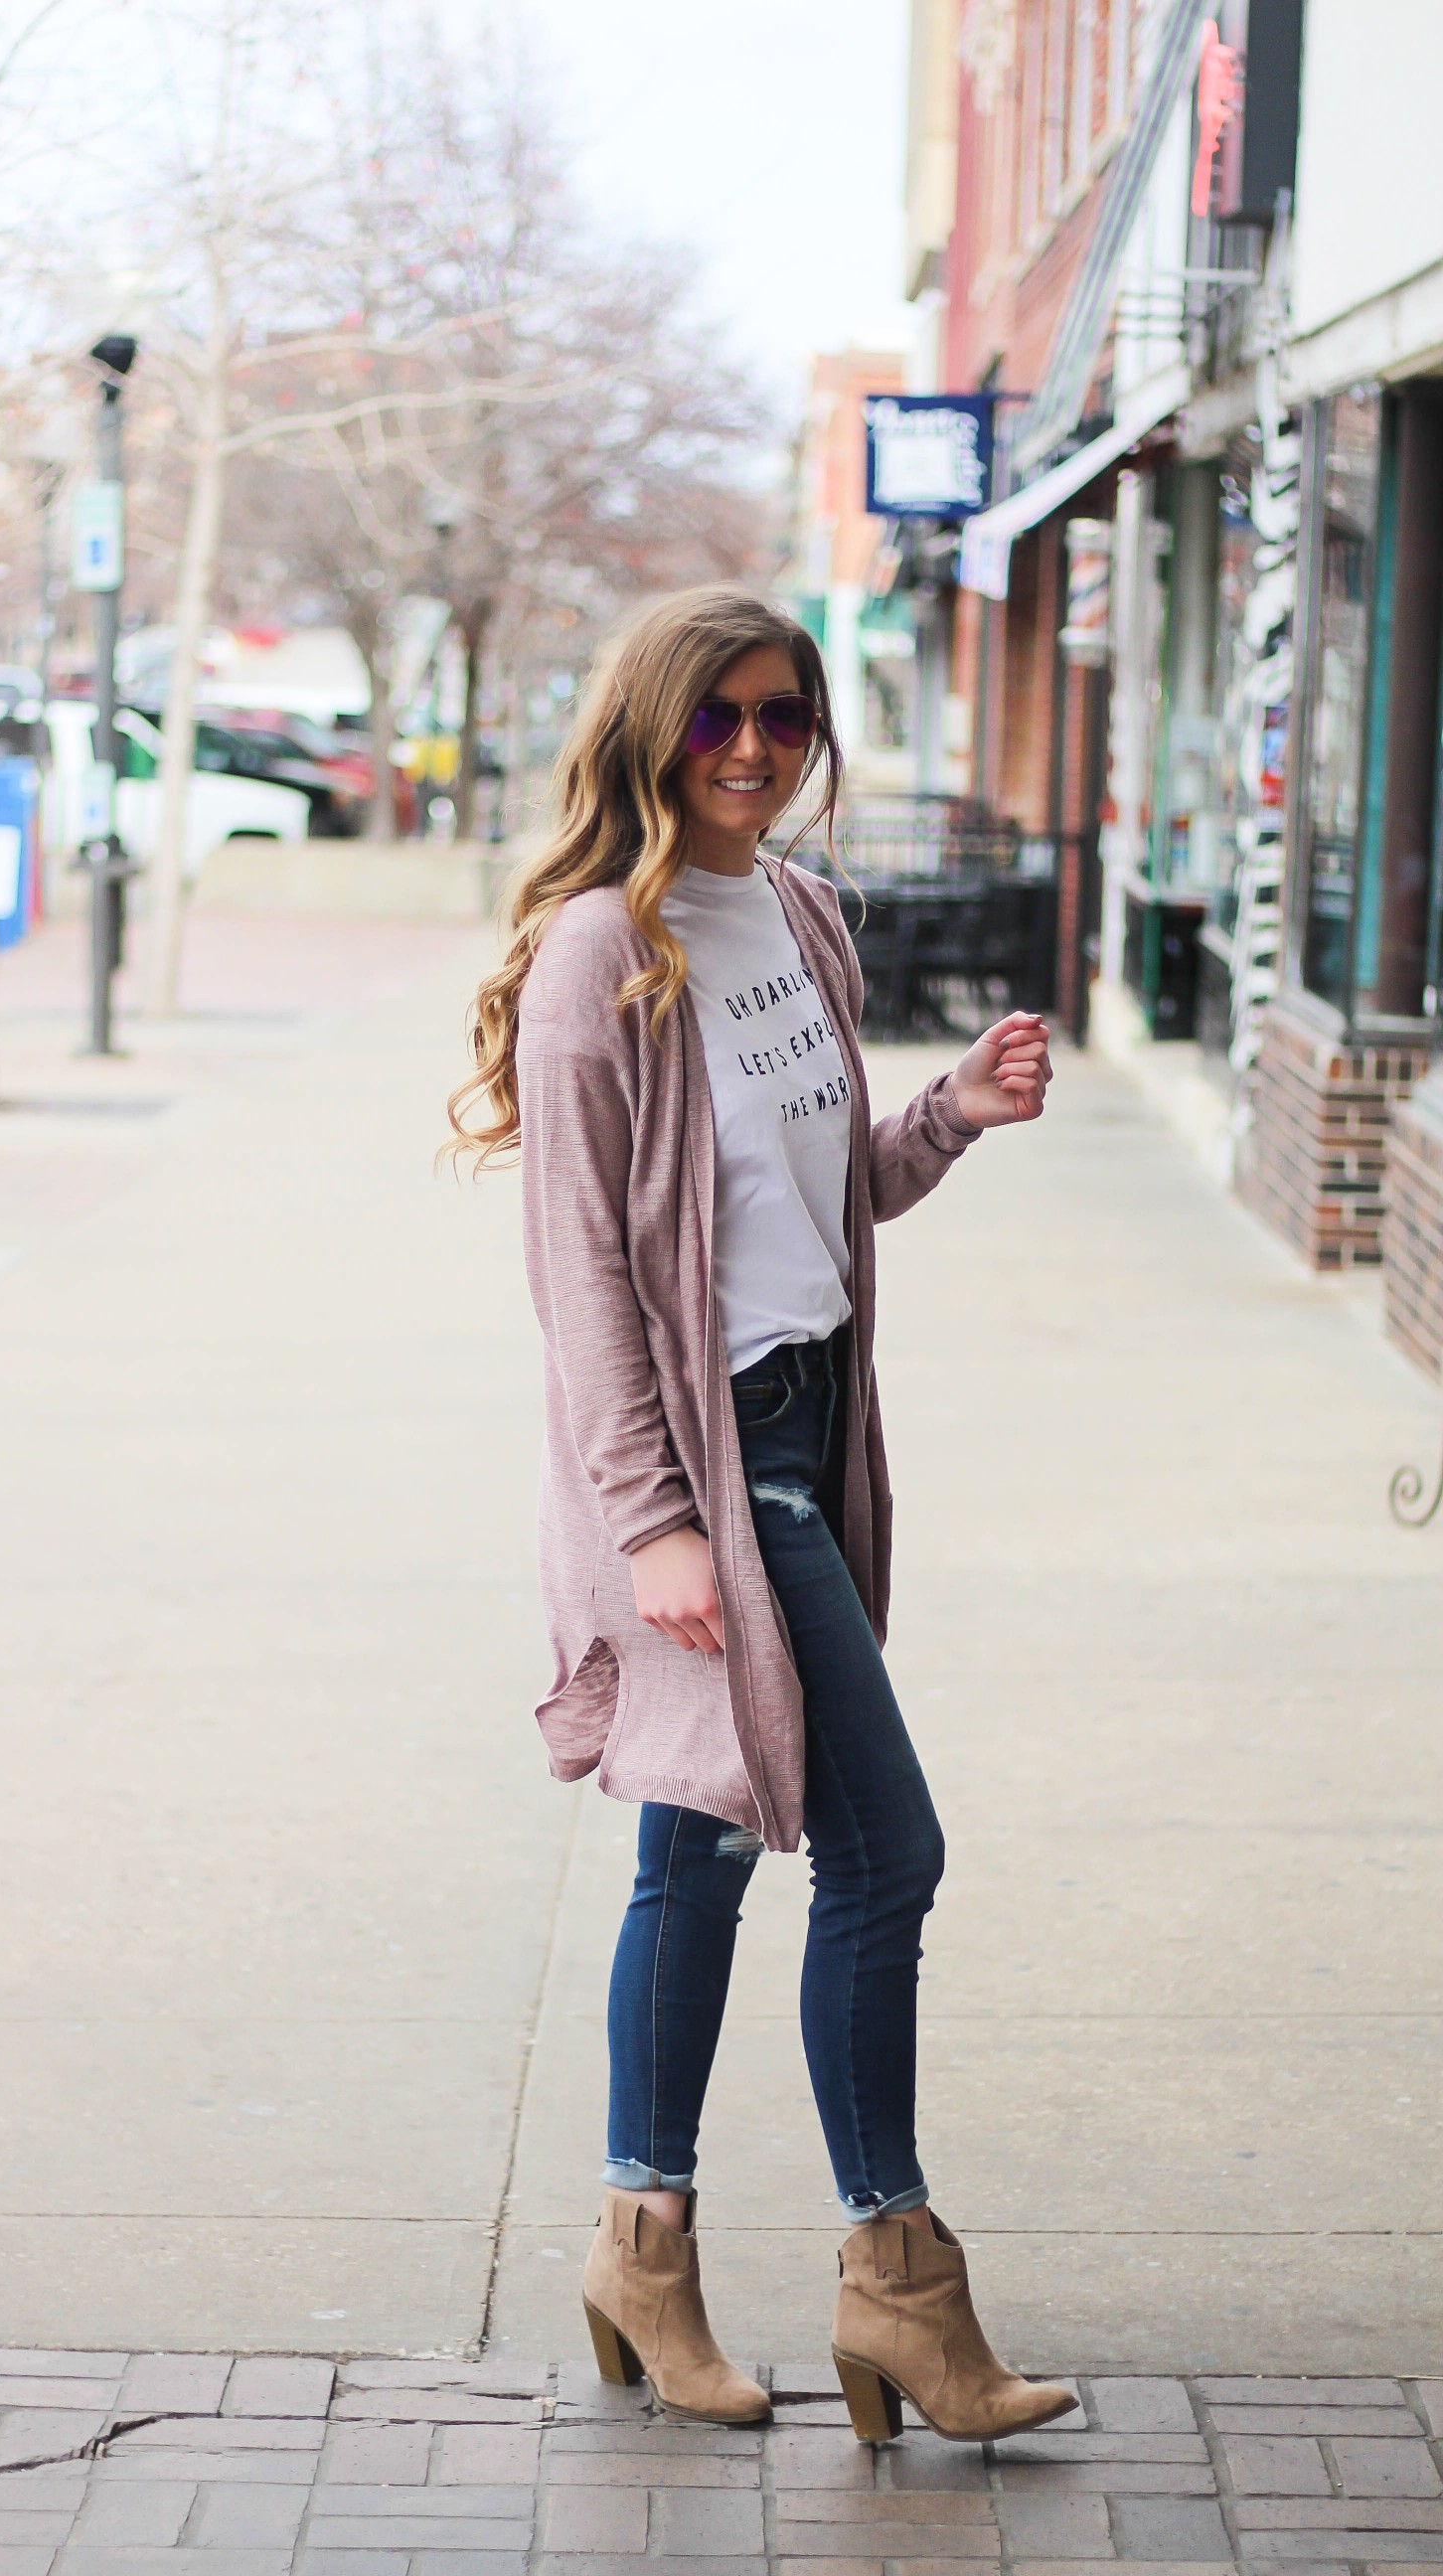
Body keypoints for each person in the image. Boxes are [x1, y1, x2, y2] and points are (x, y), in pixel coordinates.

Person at [448, 587, 1075, 2445]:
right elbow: (583, 1278)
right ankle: (901, 2290)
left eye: (783, 719)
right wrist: (652, 1522)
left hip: (809, 1421)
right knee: (886, 1856)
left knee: (700, 1856)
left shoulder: (799, 918)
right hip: (706, 1459)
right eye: (717, 716)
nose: (750, 748)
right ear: (653, 727)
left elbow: (821, 1198)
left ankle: (644, 2246)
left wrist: (949, 1114)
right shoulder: (597, 954)